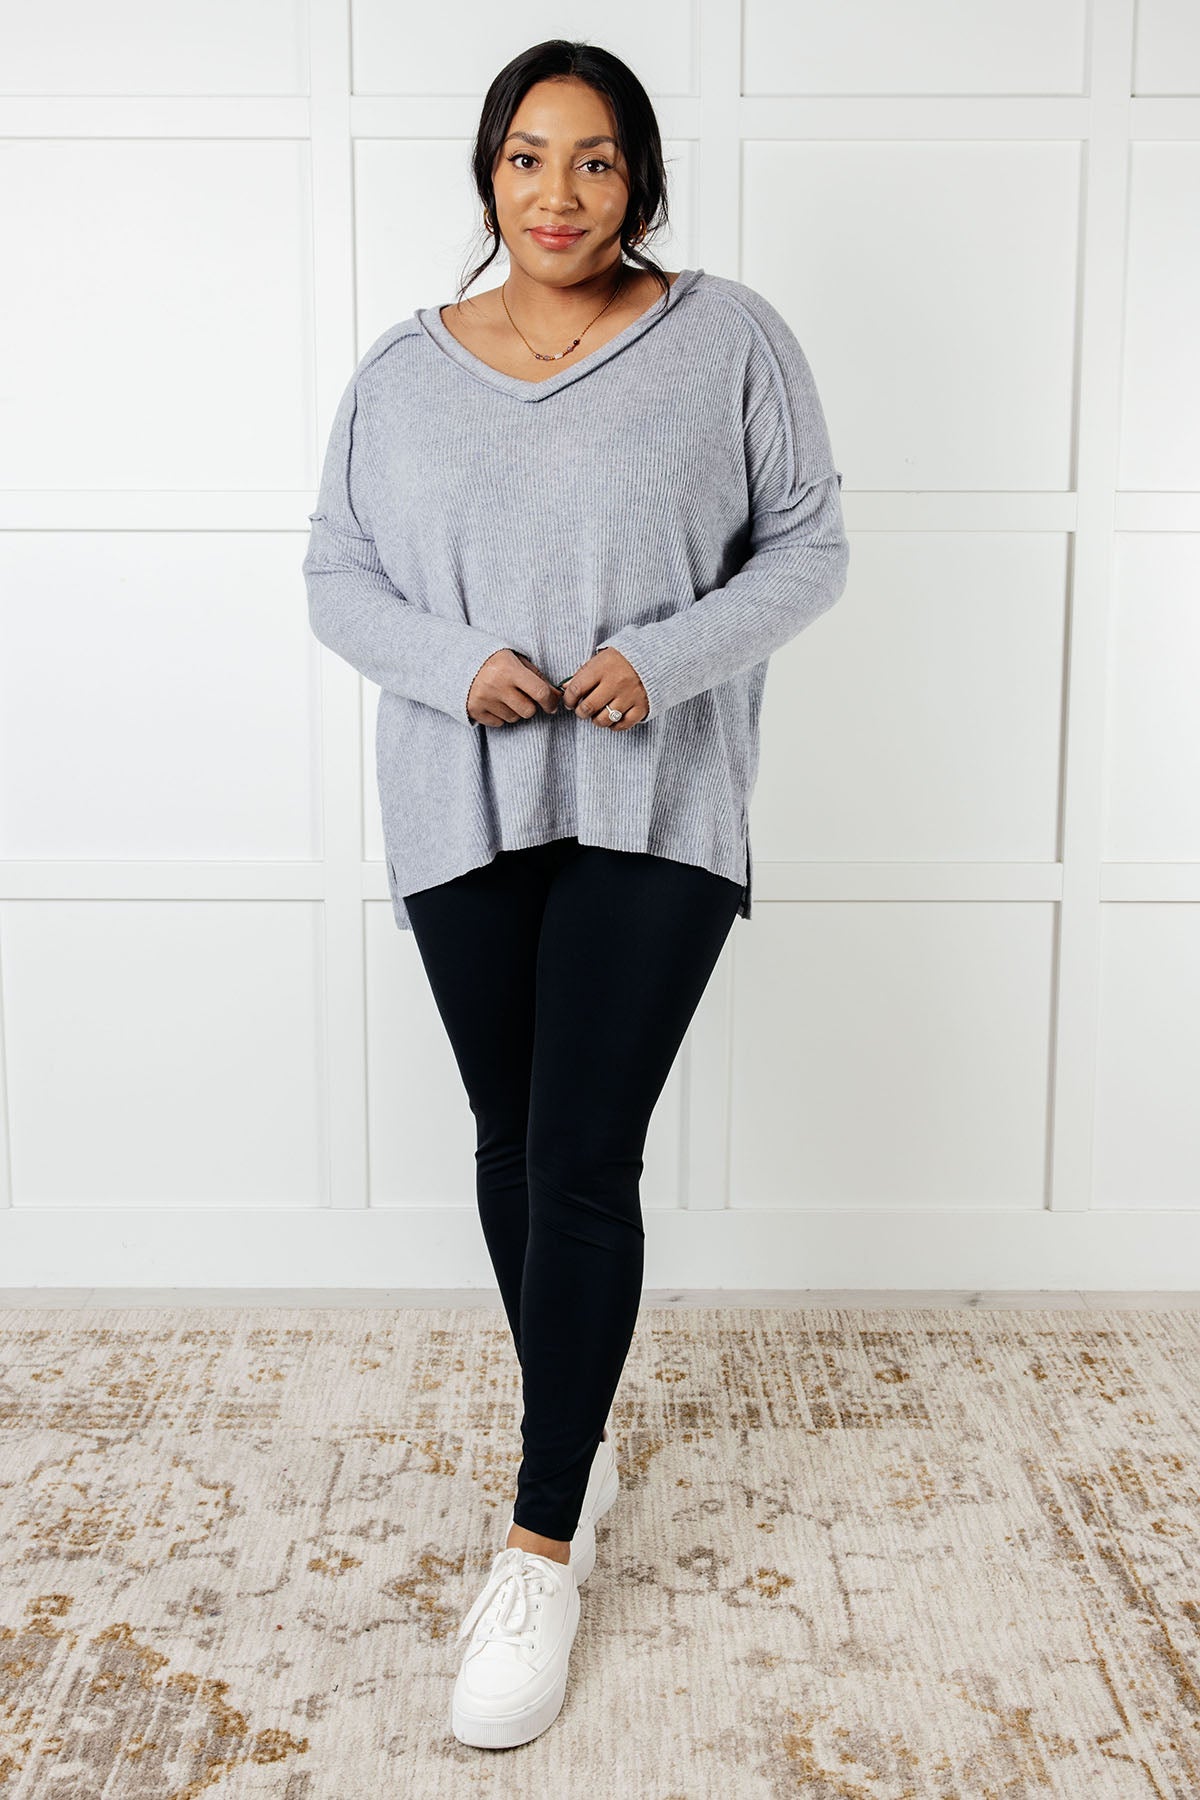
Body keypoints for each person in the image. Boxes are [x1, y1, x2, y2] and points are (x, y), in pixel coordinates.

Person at [302, 37, 849, 1754]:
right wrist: (451, 662)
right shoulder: (401, 373)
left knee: (582, 1152)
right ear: (489, 175)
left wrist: (664, 659)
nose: (559, 193)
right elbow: (336, 574)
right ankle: (577, 1434)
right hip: (458, 800)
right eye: (528, 158)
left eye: (596, 160)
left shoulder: (729, 339)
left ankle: (538, 1548)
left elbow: (811, 544)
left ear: (641, 181)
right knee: (510, 1136)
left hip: (655, 800)